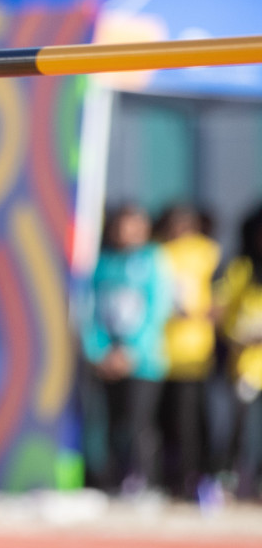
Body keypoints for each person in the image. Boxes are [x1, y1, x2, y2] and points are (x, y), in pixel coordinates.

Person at [82, 202, 174, 495]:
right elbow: (88, 310)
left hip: (143, 361)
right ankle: (108, 480)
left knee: (138, 423)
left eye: (134, 226)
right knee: (107, 423)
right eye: (121, 226)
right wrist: (99, 351)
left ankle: (144, 479)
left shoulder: (153, 260)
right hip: (106, 359)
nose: (126, 232)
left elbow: (157, 310)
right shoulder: (102, 264)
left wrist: (131, 351)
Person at [153, 202, 221, 501]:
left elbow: (221, 291)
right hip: (159, 351)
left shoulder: (206, 252)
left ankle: (196, 477)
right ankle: (167, 478)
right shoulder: (157, 254)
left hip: (194, 351)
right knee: (161, 421)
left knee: (192, 421)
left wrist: (212, 311)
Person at [217, 202, 262, 499]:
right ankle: (230, 480)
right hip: (246, 365)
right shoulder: (241, 269)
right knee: (239, 427)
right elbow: (220, 308)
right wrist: (237, 335)